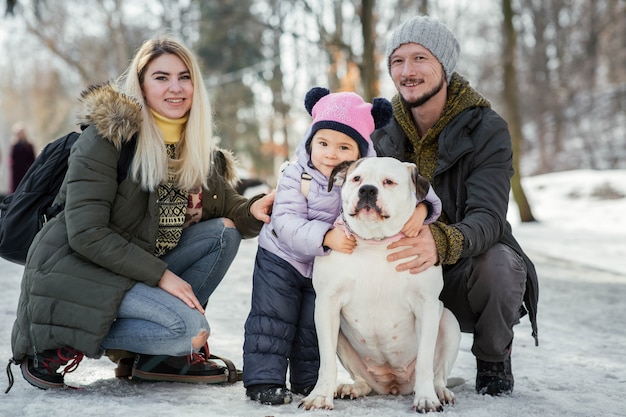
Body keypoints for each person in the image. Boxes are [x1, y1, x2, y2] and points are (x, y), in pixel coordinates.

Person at [6, 35, 275, 392]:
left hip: (133, 272)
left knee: (224, 233)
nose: (175, 88)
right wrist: (162, 275)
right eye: (161, 77)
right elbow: (86, 233)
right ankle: (59, 340)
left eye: (184, 77)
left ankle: (155, 359)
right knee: (187, 330)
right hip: (79, 272)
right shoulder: (109, 139)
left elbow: (229, 209)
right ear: (142, 85)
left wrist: (254, 209)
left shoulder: (196, 149)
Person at [371, 15, 539, 396]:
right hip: (399, 268)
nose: (407, 71)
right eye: (397, 61)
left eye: (420, 59)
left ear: (444, 65)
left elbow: (490, 218)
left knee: (500, 264)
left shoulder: (486, 128)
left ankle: (493, 358)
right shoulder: (381, 128)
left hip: (463, 271)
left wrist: (439, 242)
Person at [242, 87, 443, 405]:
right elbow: (285, 220)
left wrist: (422, 210)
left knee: (312, 324)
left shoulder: (369, 170)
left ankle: (311, 381)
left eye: (344, 147)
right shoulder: (297, 174)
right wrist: (325, 236)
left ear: (360, 152)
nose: (331, 153)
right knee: (272, 319)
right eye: (322, 144)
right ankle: (263, 379)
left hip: (320, 259)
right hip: (283, 257)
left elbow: (421, 190)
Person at [9, 123, 36, 192]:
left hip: (27, 171)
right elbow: (12, 160)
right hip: (17, 172)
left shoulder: (29, 146)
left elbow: (33, 159)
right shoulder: (14, 146)